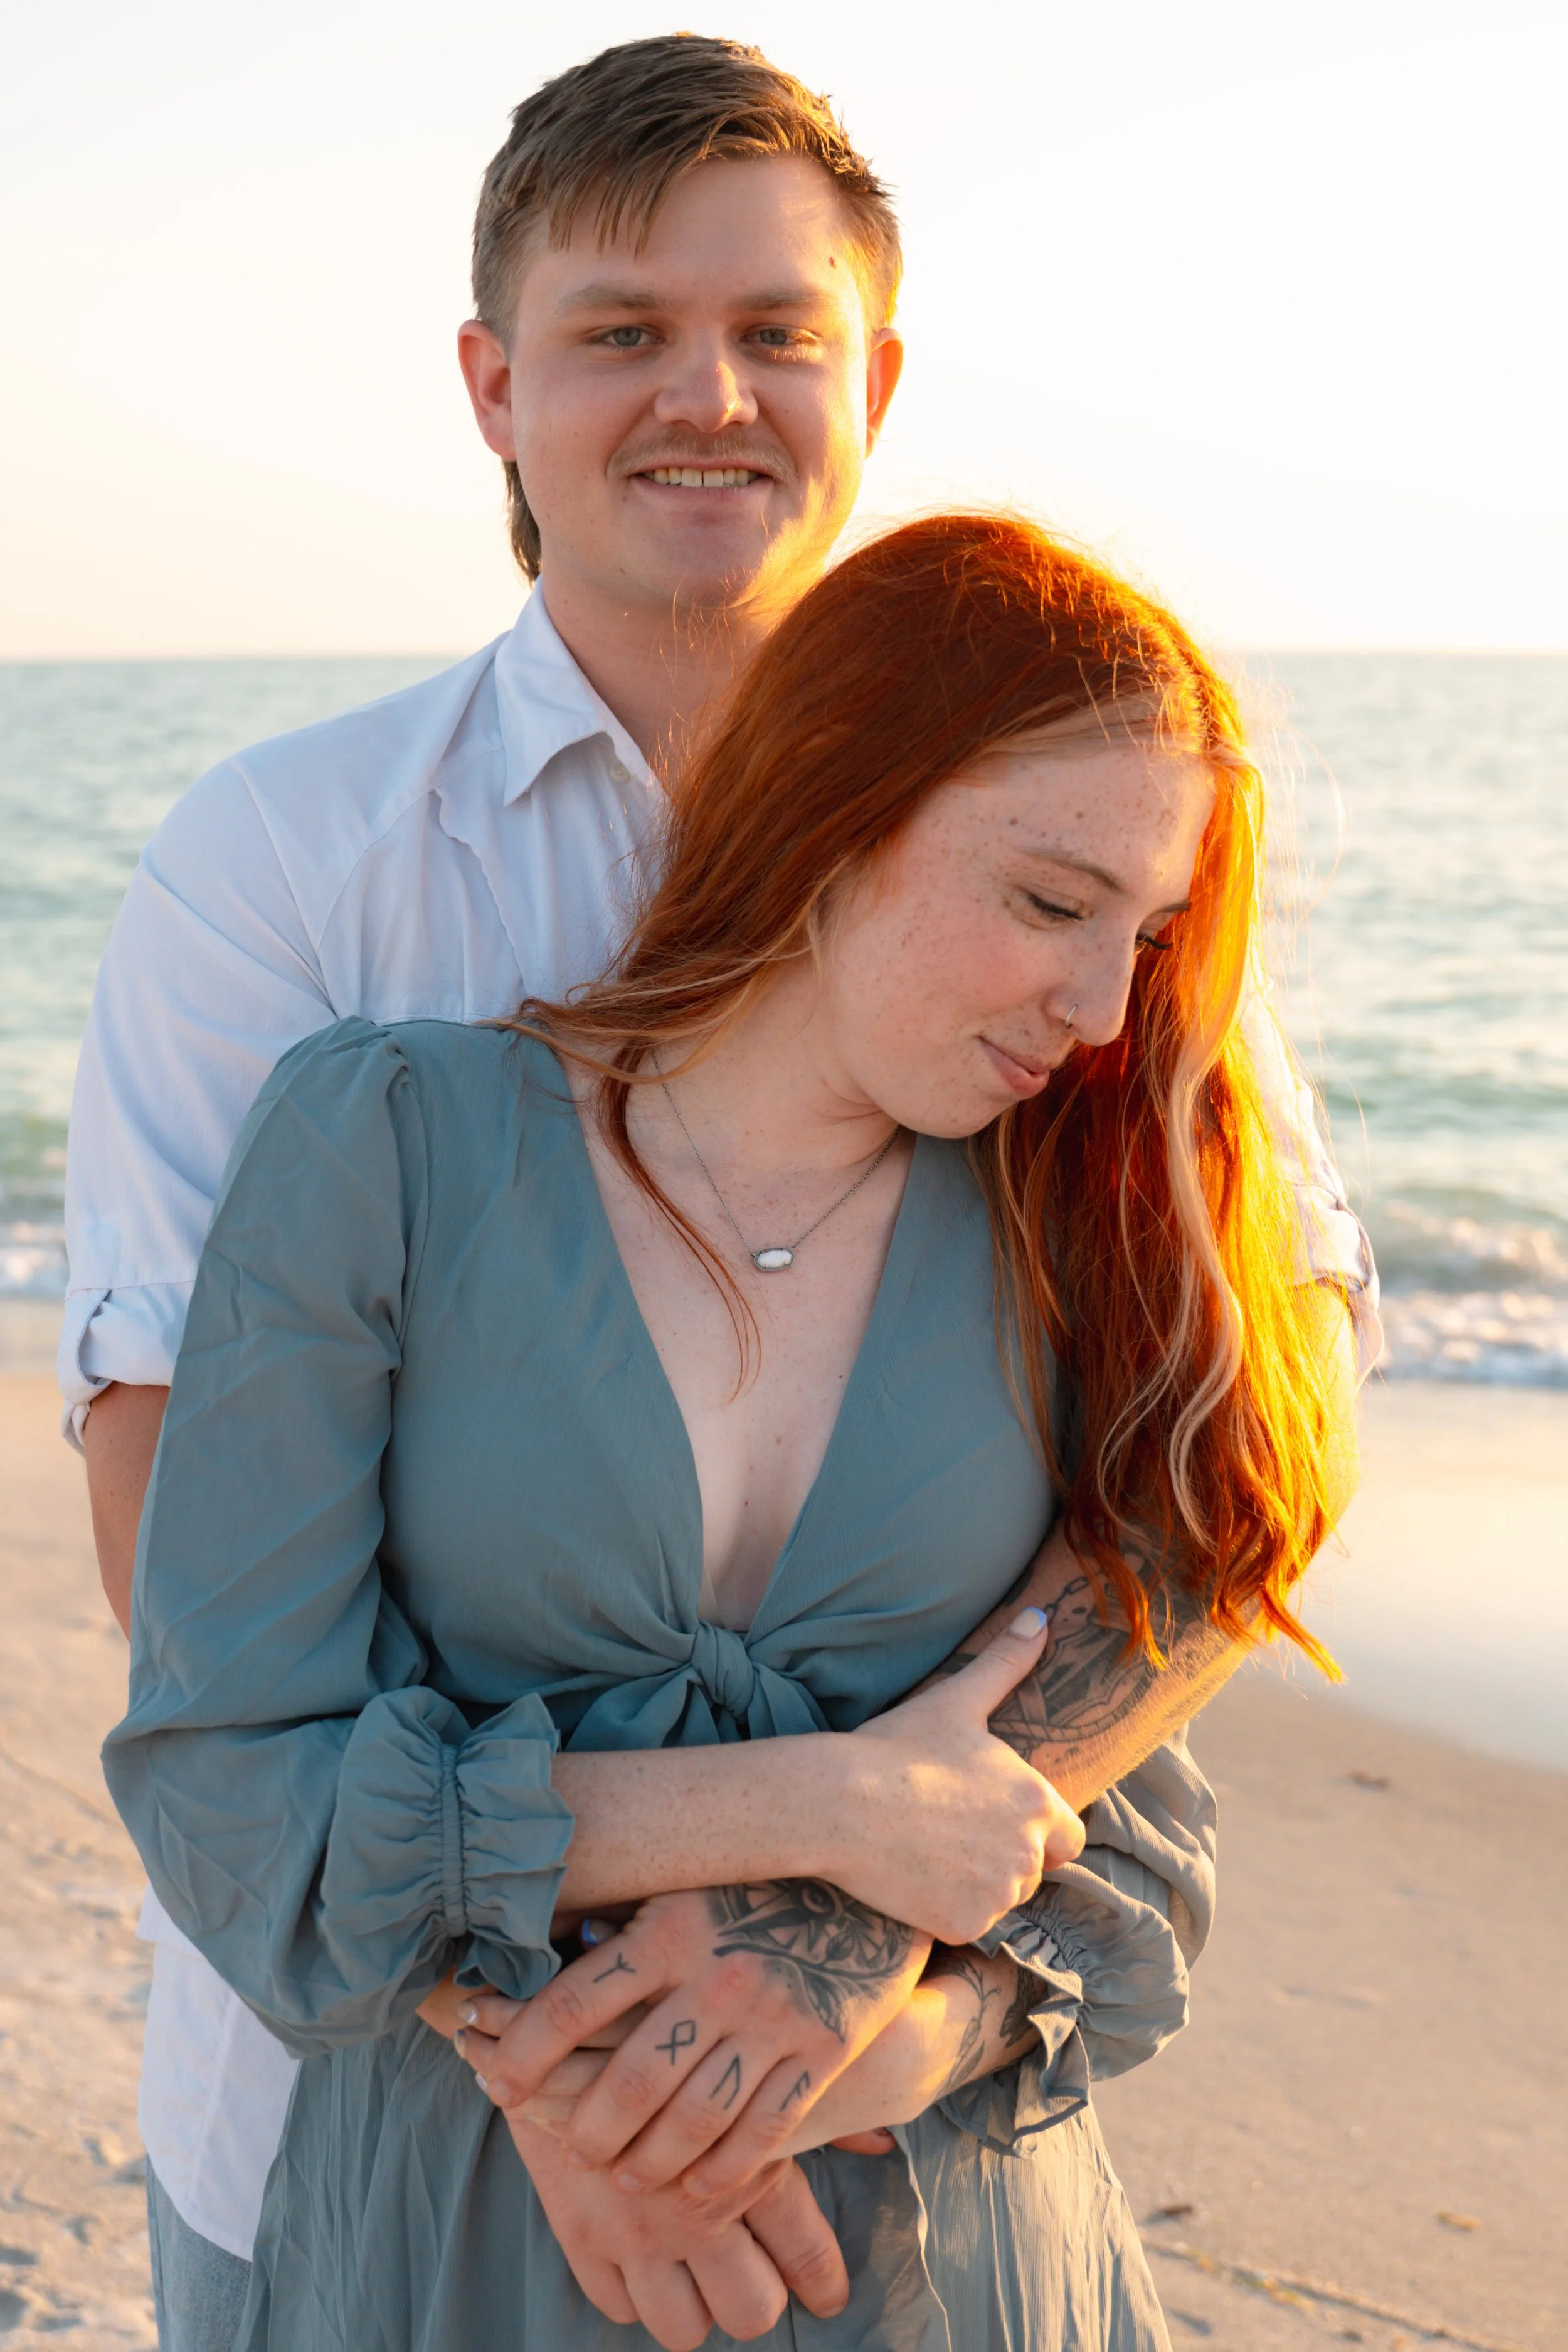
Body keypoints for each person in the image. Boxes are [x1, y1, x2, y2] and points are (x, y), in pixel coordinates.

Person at [65, 34, 1377, 2350]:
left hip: (917, 2186)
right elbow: (189, 1557)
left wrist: (873, 1926)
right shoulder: (294, 871)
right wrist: (588, 2082)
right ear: (494, 386)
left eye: (776, 331)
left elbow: (1246, 1434)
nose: (710, 396)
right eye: (621, 333)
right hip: (379, 2124)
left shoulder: (1069, 918)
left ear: (875, 373)